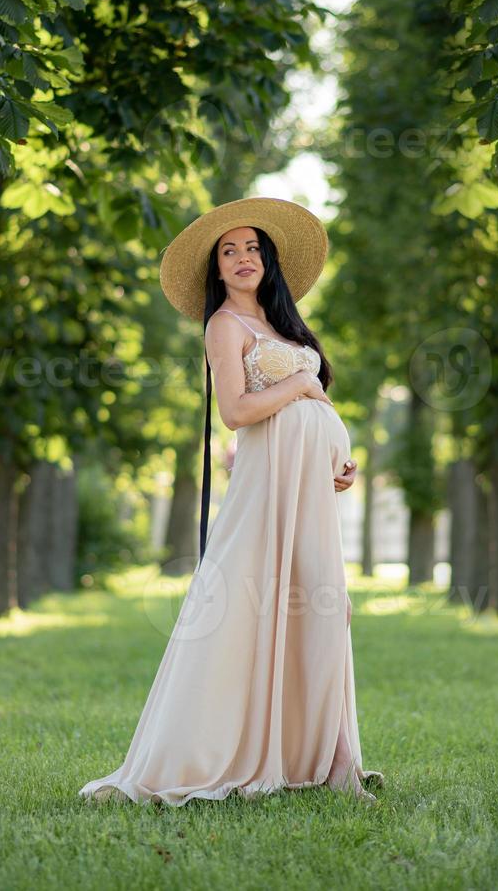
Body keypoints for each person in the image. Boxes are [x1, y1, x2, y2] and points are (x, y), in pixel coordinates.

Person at [78, 197, 384, 806]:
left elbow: (306, 415)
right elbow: (238, 412)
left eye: (252, 248)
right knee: (255, 611)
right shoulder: (225, 326)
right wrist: (303, 383)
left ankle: (333, 760)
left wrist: (334, 465)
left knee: (325, 608)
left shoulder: (284, 329)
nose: (242, 258)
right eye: (229, 251)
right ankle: (228, 753)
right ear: (216, 270)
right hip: (264, 496)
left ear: (268, 262)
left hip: (307, 495)